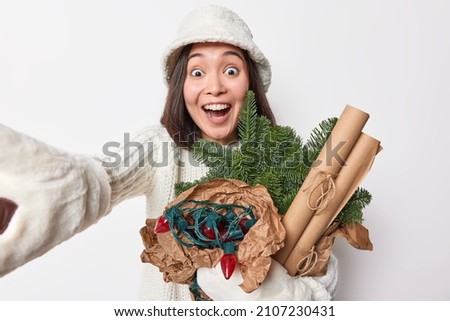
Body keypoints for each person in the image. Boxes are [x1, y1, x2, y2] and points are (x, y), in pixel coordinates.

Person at [0, 5, 337, 301]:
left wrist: (280, 294)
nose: (215, 86)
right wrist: (53, 185)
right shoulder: (160, 146)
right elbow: (104, 178)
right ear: (181, 86)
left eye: (231, 70)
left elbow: (319, 270)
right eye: (197, 71)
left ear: (251, 83)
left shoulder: (281, 159)